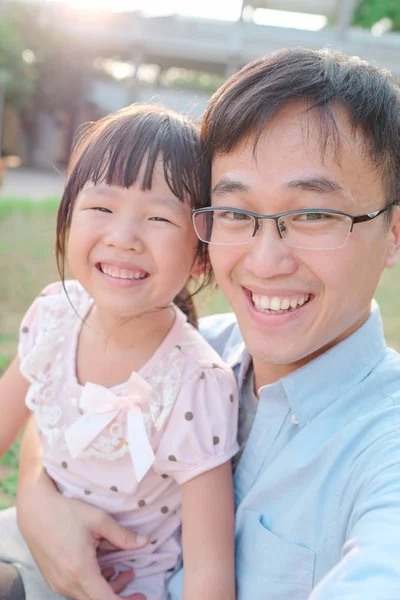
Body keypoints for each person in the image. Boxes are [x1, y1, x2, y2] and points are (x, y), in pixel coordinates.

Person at [1, 45, 400, 600]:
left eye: (312, 214)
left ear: (394, 232)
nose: (264, 261)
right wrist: (39, 505)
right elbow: (57, 406)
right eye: (236, 212)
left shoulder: (385, 451)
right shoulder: (185, 347)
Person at [0, 104, 239, 600]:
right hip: (33, 536)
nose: (123, 237)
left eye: (157, 217)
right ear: (67, 218)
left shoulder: (196, 383)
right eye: (102, 208)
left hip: (120, 587)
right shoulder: (53, 317)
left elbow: (209, 573)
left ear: (200, 256)